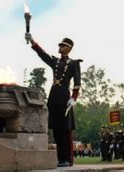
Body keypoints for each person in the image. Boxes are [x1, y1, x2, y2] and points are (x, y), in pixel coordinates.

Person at [26, 34, 81, 167]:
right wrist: (32, 41)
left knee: (65, 129)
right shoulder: (55, 61)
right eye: (60, 45)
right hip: (54, 95)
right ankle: (60, 159)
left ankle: (67, 159)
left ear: (69, 48)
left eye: (63, 46)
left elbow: (77, 83)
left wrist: (73, 98)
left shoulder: (74, 63)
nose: (60, 47)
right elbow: (42, 53)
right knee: (55, 129)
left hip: (64, 96)